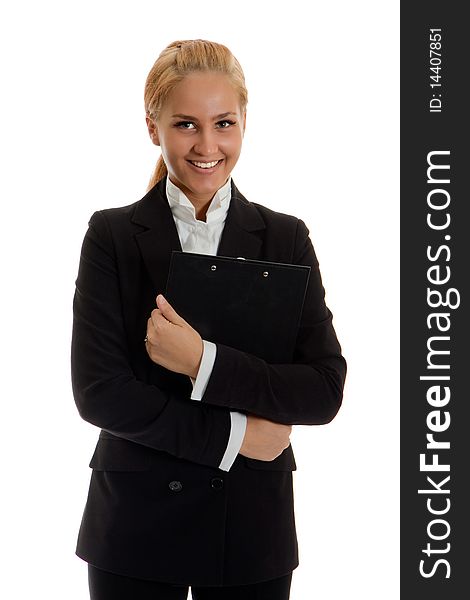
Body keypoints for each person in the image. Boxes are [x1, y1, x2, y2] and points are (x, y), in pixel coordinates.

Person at [71, 39, 347, 600]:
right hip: (136, 523)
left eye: (223, 123)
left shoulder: (285, 237)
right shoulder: (112, 236)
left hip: (250, 524)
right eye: (185, 125)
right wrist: (239, 435)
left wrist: (203, 362)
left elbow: (323, 388)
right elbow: (99, 393)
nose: (207, 145)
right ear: (153, 128)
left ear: (245, 122)